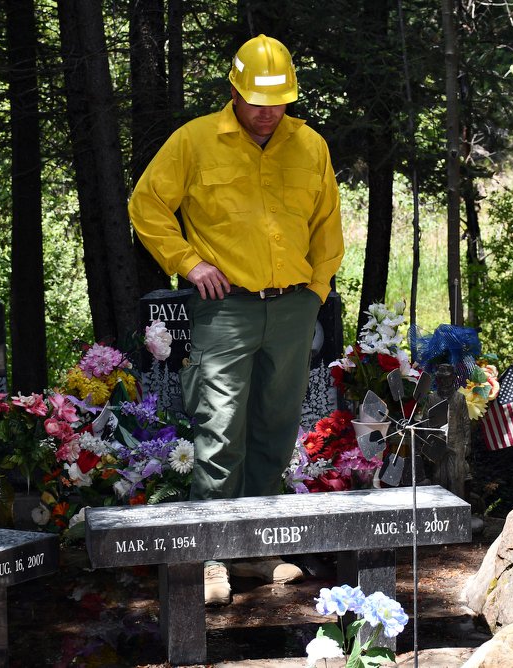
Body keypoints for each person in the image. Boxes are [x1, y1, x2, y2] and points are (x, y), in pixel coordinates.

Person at [129, 34, 344, 605]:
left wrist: (317, 289)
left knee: (274, 429)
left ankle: (254, 553)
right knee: (219, 427)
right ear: (234, 89)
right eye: (256, 99)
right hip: (226, 309)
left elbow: (327, 223)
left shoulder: (311, 146)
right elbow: (146, 204)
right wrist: (189, 262)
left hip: (296, 305)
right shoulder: (195, 141)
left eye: (278, 100)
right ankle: (208, 559)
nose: (268, 110)